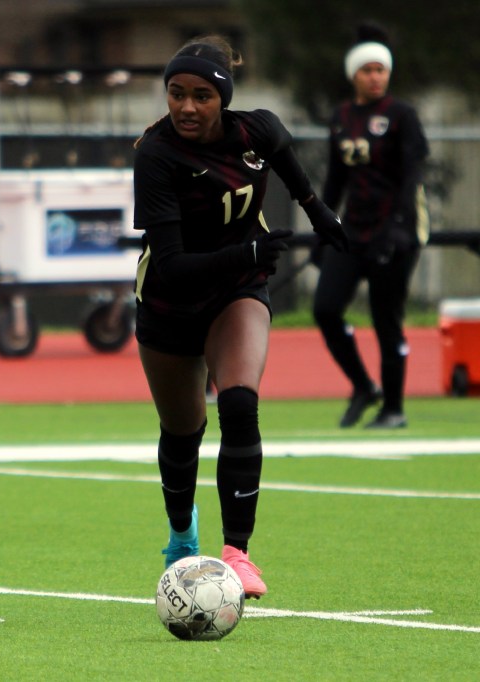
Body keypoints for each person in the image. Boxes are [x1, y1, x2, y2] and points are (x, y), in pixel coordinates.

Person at [131, 35, 348, 598]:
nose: (186, 106)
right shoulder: (155, 155)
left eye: (201, 95)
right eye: (176, 93)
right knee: (183, 433)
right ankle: (182, 537)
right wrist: (248, 252)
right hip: (170, 300)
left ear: (223, 98)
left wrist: (320, 212)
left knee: (239, 402)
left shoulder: (258, 129)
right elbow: (174, 267)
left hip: (237, 291)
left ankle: (237, 554)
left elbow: (291, 167)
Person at [313, 25, 429, 429]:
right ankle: (363, 385)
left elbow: (412, 174)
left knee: (386, 318)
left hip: (394, 231)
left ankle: (394, 408)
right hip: (353, 230)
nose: (375, 76)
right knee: (326, 309)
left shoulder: (402, 116)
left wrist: (398, 227)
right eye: (367, 70)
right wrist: (322, 225)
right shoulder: (342, 118)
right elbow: (336, 180)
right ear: (354, 74)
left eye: (381, 69)